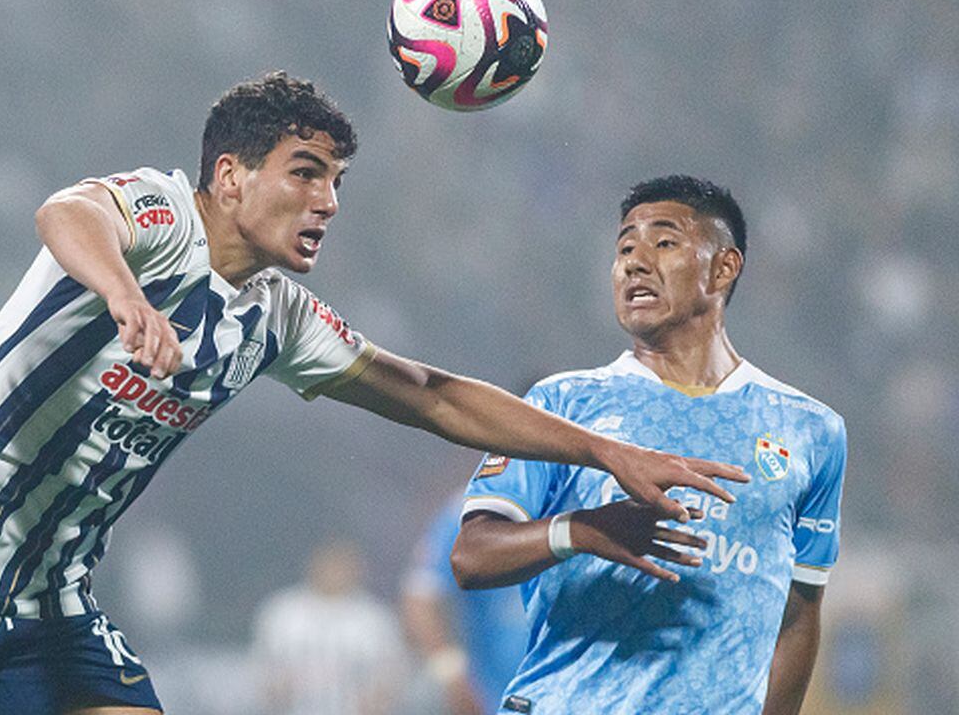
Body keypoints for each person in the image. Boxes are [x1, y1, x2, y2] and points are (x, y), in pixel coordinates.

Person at [0, 75, 747, 715]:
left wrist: (603, 450)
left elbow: (427, 393)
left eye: (336, 181)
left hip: (50, 594)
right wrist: (126, 296)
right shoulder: (163, 214)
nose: (328, 201)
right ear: (229, 176)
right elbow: (67, 211)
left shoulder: (278, 317)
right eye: (306, 174)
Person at [451, 175, 847, 715]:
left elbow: (799, 616)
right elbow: (471, 558)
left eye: (664, 243)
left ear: (722, 268)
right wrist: (584, 530)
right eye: (624, 248)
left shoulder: (812, 431)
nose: (635, 262)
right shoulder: (560, 405)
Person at [401, 492, 529, 715]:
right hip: (495, 691)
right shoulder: (470, 506)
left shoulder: (583, 492)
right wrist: (449, 671)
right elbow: (420, 596)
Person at [253, 540, 405, 715]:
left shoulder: (376, 618)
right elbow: (262, 671)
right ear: (313, 565)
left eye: (342, 565)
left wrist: (377, 700)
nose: (334, 572)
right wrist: (276, 689)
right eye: (329, 564)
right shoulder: (281, 612)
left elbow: (393, 676)